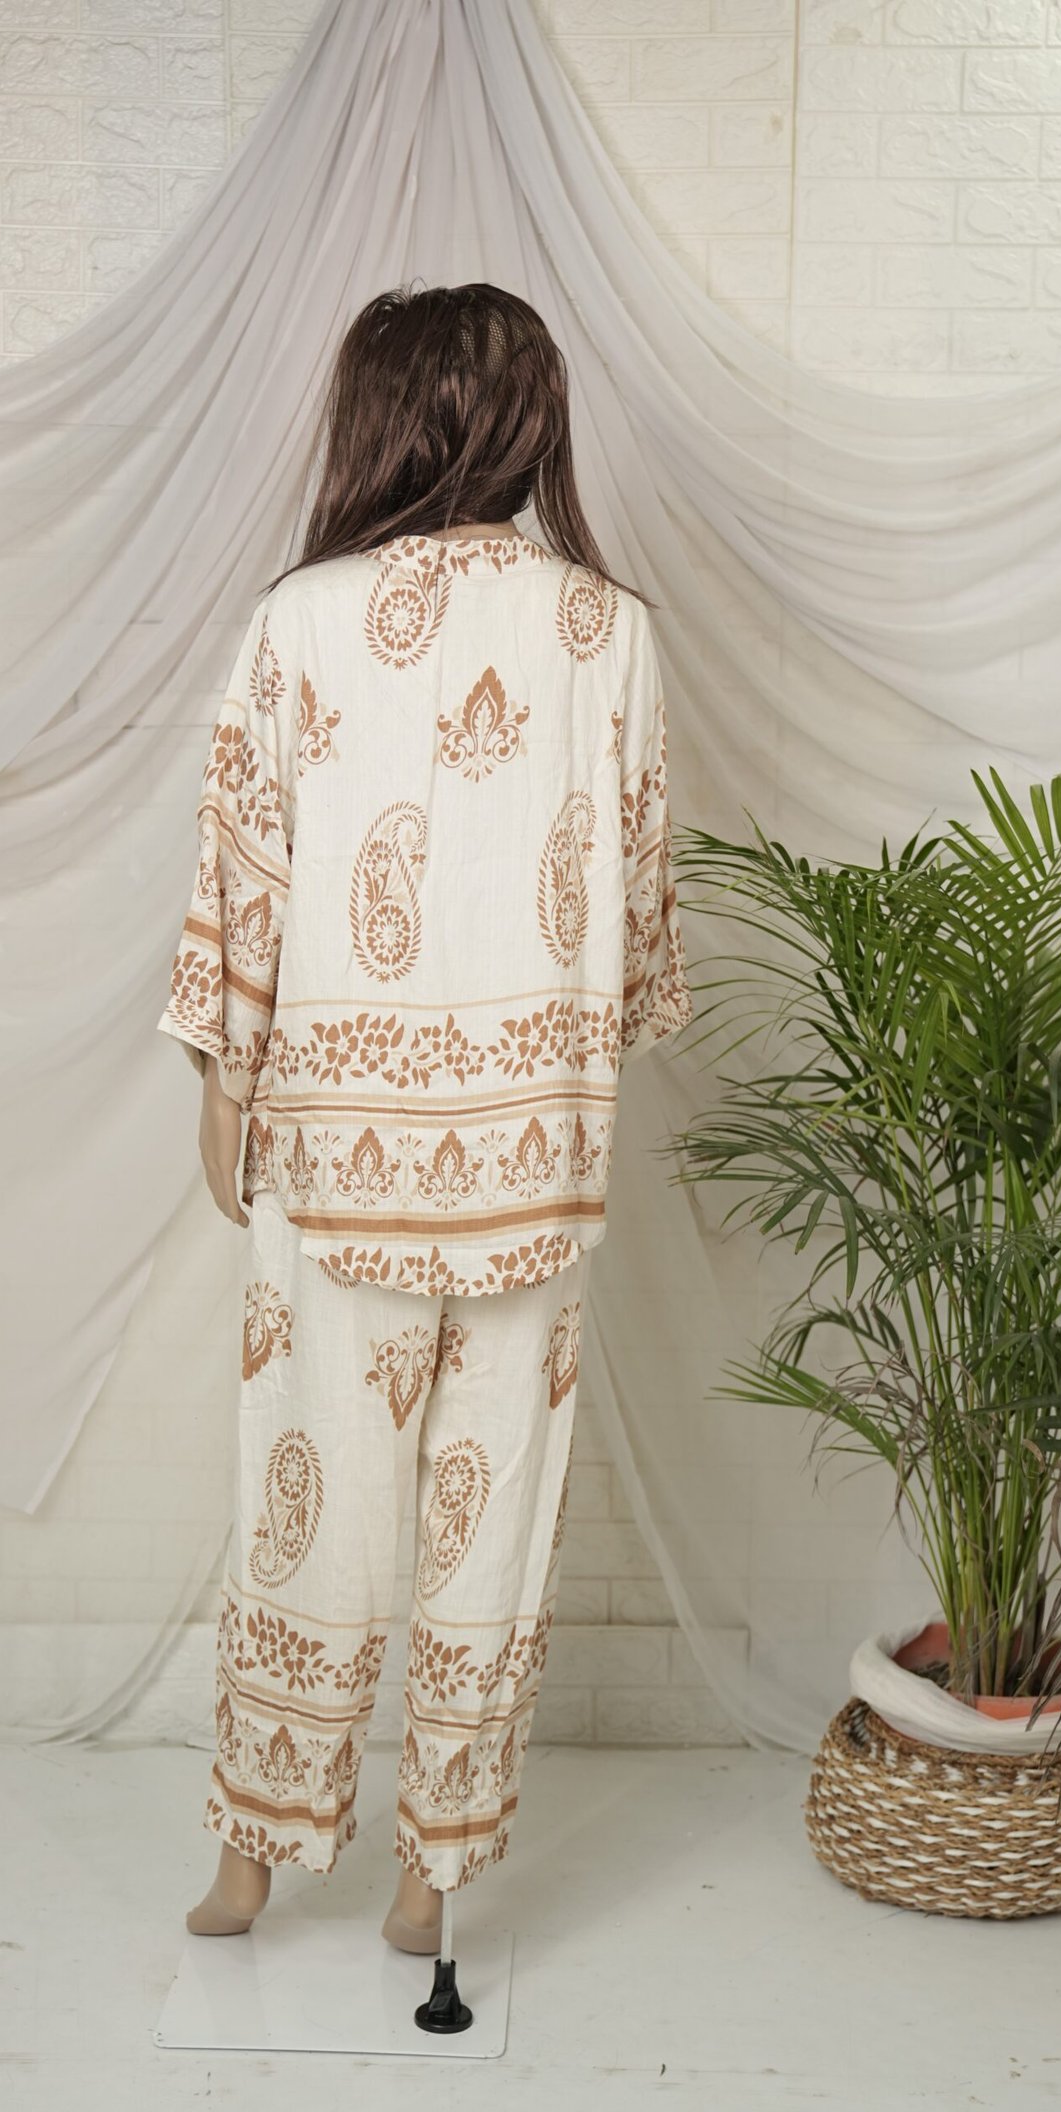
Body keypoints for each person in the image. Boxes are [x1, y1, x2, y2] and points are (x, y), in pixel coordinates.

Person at [157, 281, 691, 1955]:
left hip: (337, 1146)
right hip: (534, 1151)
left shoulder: (299, 620)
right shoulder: (612, 629)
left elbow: (244, 868)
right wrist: (560, 1065)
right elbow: (638, 907)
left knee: (307, 1494)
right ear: (529, 421)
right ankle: (430, 1873)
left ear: (384, 418)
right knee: (493, 1508)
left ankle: (257, 1856)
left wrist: (225, 1082)